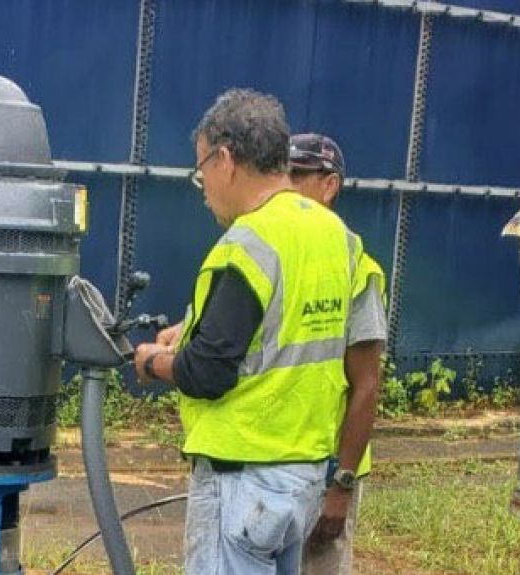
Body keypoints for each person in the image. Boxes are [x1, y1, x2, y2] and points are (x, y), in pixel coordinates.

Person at [133, 89, 367, 575]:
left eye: (201, 171)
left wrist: (150, 361)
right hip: (300, 480)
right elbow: (283, 330)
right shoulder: (337, 238)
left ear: (226, 159)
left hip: (241, 481)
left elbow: (207, 371)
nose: (202, 187)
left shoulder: (247, 243)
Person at [288, 133, 386, 575]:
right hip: (277, 462)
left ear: (329, 186)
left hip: (327, 469)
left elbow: (366, 385)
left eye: (296, 176)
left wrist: (341, 485)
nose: (284, 188)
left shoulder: (355, 268)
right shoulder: (279, 255)